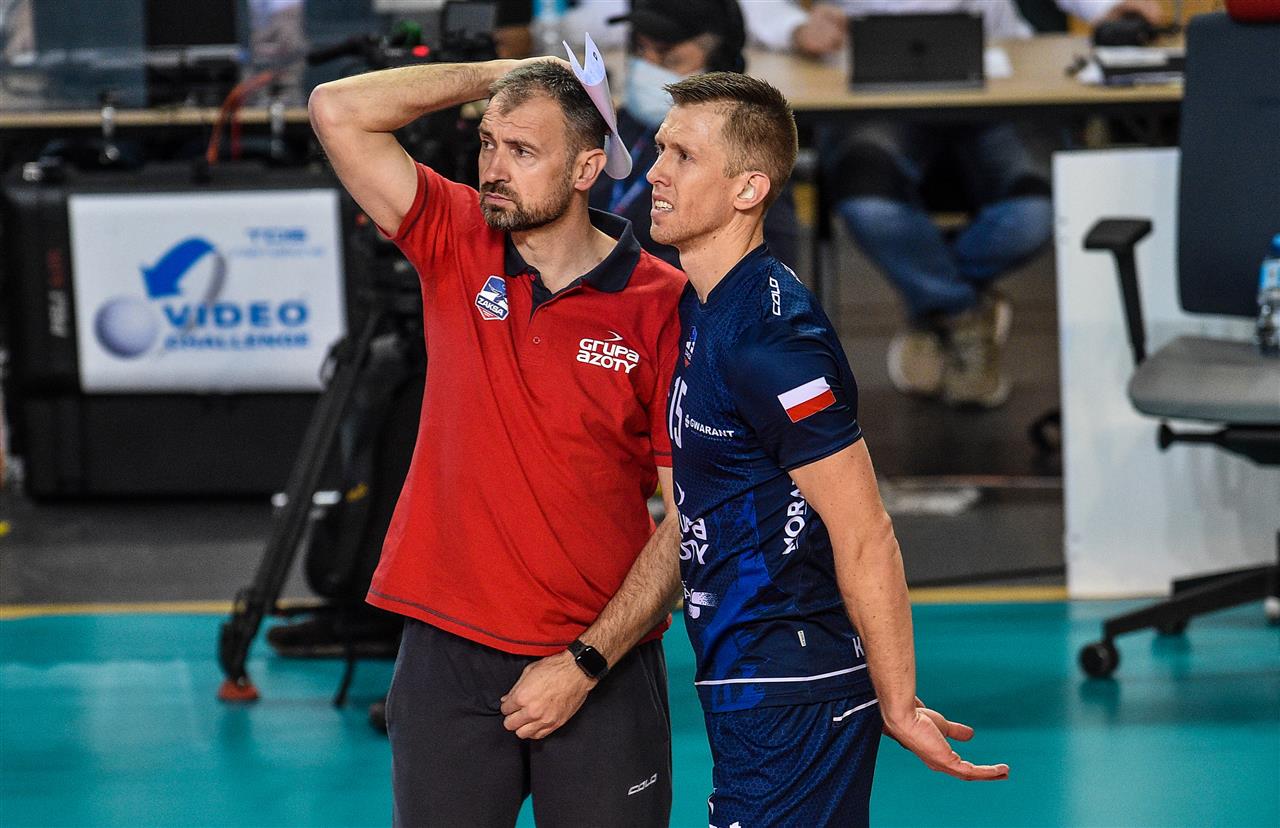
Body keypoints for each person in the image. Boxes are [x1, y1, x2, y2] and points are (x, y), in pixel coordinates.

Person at [309, 56, 685, 826]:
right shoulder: (456, 236)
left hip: (600, 660)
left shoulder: (665, 305)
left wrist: (583, 664)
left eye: (522, 151)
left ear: (586, 169)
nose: (493, 169)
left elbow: (693, 516)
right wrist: (503, 72)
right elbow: (336, 110)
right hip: (446, 655)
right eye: (487, 144)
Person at [647, 71, 1008, 825]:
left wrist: (899, 701)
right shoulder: (706, 301)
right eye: (659, 149)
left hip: (794, 687)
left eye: (682, 156)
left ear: (748, 189)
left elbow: (865, 530)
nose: (655, 173)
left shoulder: (773, 344)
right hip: (749, 674)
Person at [738, 0, 1165, 407]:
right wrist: (794, 28)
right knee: (870, 209)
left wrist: (1109, 8)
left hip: (1001, 75)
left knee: (1033, 215)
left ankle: (934, 308)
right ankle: (964, 313)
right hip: (866, 83)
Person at [582, 0, 801, 268]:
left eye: (668, 57)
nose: (646, 68)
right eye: (639, 49)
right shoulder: (619, 123)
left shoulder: (745, 146)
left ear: (719, 63)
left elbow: (765, 266)